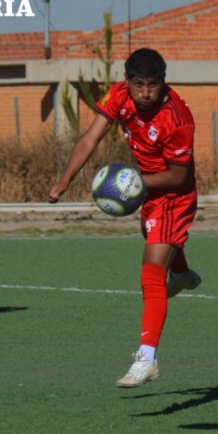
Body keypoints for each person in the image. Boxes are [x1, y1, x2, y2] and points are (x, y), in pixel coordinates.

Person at [48, 48, 201, 388]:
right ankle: (182, 273)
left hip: (173, 195)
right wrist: (65, 178)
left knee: (150, 275)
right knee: (159, 250)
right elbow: (90, 137)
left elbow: (178, 176)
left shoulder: (177, 117)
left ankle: (147, 358)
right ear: (126, 81)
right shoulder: (118, 96)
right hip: (146, 191)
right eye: (138, 84)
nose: (145, 93)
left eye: (153, 85)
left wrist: (132, 184)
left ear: (164, 83)